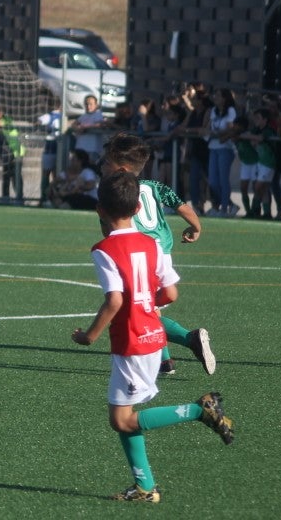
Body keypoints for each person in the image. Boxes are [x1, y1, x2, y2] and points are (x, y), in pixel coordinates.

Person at [72, 170, 234, 503]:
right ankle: (144, 487)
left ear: (99, 210)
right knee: (125, 418)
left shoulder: (103, 249)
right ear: (136, 209)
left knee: (121, 419)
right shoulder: (151, 244)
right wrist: (146, 304)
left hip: (131, 341)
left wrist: (89, 336)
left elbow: (114, 300)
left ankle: (199, 410)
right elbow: (170, 293)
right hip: (153, 335)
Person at [100, 132, 215, 377]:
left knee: (137, 307)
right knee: (150, 306)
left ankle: (190, 338)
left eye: (106, 162)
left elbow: (110, 230)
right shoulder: (155, 186)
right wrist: (196, 227)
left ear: (121, 169)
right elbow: (181, 206)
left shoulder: (115, 193)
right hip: (162, 251)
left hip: (138, 253)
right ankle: (164, 361)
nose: (102, 166)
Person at [207, 87, 239, 216]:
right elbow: (210, 126)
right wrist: (211, 132)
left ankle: (224, 208)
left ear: (225, 98)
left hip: (225, 147)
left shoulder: (230, 110)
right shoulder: (214, 111)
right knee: (213, 181)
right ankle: (230, 204)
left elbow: (230, 128)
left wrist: (217, 133)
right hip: (213, 147)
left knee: (223, 179)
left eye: (218, 95)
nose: (215, 98)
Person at [243, 107, 278, 219]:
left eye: (258, 118)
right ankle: (266, 213)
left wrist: (251, 138)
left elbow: (261, 138)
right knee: (263, 189)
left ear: (265, 120)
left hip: (268, 163)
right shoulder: (256, 129)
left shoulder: (268, 130)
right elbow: (249, 136)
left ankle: (254, 209)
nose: (255, 120)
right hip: (260, 162)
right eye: (255, 118)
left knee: (258, 186)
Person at [0, 103, 24, 201]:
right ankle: (5, 197)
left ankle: (19, 197)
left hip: (16, 152)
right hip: (6, 153)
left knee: (15, 175)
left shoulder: (7, 119)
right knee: (6, 175)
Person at [69, 95, 107, 164]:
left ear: (96, 105)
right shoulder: (83, 116)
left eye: (91, 104)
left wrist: (84, 127)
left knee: (90, 168)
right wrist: (77, 128)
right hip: (80, 149)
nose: (88, 106)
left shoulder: (98, 114)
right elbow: (73, 124)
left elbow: (100, 124)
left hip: (92, 150)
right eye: (86, 104)